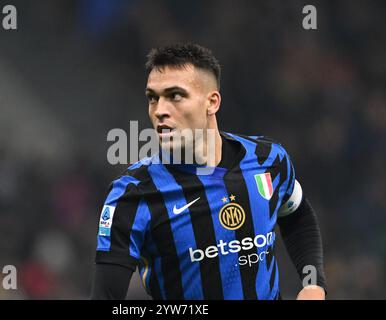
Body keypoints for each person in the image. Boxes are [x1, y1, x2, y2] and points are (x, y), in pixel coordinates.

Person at [91, 43, 326, 300]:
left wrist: (313, 283)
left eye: (175, 95)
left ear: (211, 102)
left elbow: (297, 214)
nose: (159, 110)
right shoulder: (133, 194)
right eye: (153, 97)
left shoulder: (269, 159)